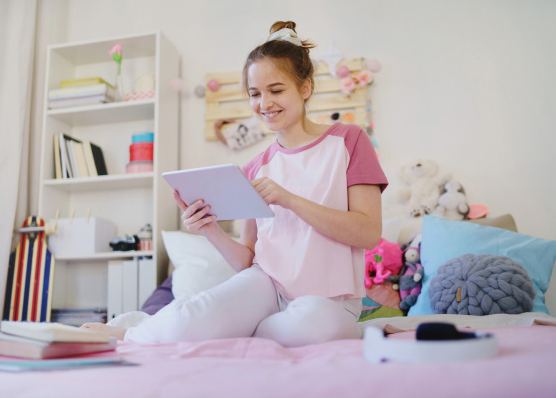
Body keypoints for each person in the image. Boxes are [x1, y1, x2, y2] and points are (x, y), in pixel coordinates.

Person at [82, 20, 388, 347]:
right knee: (194, 315)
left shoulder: (348, 141)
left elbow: (368, 232)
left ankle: (234, 331)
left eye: (276, 90)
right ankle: (132, 334)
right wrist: (209, 229)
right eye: (255, 94)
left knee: (320, 326)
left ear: (305, 88)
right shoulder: (255, 167)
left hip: (330, 301)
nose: (264, 103)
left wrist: (290, 200)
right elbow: (247, 259)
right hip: (265, 286)